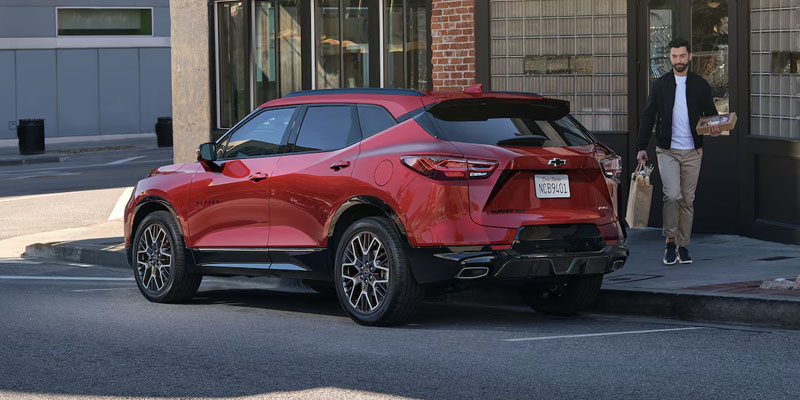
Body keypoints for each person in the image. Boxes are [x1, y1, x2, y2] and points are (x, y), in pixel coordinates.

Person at [637, 38, 721, 265]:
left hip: (693, 150)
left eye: (682, 56)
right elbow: (648, 116)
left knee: (687, 200)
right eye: (674, 57)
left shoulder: (700, 85)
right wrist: (641, 147)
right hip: (668, 150)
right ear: (670, 58)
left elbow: (711, 115)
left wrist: (714, 128)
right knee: (672, 195)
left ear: (690, 57)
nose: (678, 61)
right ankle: (669, 242)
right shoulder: (660, 84)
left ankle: (683, 247)